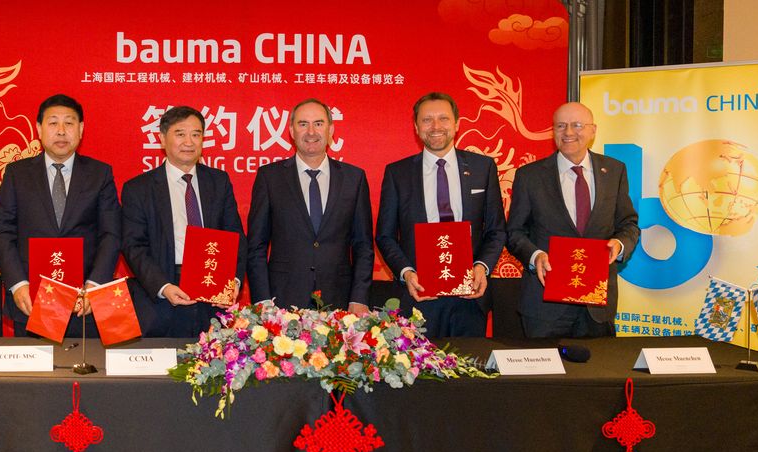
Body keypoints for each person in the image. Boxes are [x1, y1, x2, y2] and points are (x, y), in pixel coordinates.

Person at [376, 92, 507, 337]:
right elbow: (385, 235)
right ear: (416, 127)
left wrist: (482, 267)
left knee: (469, 372)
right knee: (422, 374)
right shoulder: (398, 173)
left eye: (443, 119)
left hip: (470, 297)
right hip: (420, 296)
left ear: (457, 124)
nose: (436, 127)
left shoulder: (483, 167)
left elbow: (496, 229)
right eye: (427, 120)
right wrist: (407, 273)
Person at [0, 94, 121, 337]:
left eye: (69, 123)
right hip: (31, 299)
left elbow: (111, 234)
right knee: (33, 372)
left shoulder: (99, 174)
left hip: (83, 302)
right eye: (53, 123)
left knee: (82, 372)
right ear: (39, 129)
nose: (61, 131)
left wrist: (94, 285)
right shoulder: (17, 174)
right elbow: (2, 231)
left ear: (81, 129)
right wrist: (18, 284)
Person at [506, 102, 640, 338]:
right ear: (553, 132)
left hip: (597, 307)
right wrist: (535, 256)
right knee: (545, 376)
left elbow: (628, 224)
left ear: (593, 130)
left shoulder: (614, 170)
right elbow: (514, 232)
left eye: (577, 125)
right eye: (561, 126)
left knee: (598, 371)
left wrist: (619, 245)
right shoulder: (530, 176)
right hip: (544, 306)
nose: (568, 132)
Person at [121, 106, 246, 337]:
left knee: (213, 368)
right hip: (163, 294)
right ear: (162, 139)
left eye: (196, 134)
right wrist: (163, 287)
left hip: (213, 293)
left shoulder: (218, 182)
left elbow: (235, 237)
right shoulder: (138, 188)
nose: (189, 142)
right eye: (180, 134)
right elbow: (133, 246)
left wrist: (234, 281)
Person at [247, 98, 374, 314]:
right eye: (303, 124)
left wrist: (359, 297)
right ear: (291, 131)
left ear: (331, 129)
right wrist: (262, 300)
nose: (311, 132)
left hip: (339, 298)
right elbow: (256, 244)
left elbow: (363, 245)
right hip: (281, 301)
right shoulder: (270, 177)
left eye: (319, 123)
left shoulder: (354, 178)